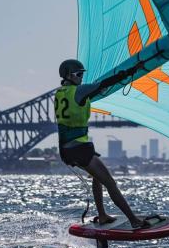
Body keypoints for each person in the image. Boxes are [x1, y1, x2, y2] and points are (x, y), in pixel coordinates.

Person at [55, 58, 149, 228]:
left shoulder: (61, 93)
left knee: (97, 178)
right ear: (69, 75)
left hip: (66, 149)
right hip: (79, 149)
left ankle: (102, 215)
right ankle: (134, 221)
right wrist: (132, 70)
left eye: (82, 74)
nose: (81, 78)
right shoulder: (79, 91)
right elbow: (105, 82)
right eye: (78, 74)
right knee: (111, 183)